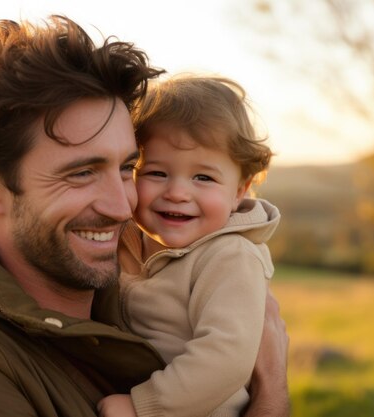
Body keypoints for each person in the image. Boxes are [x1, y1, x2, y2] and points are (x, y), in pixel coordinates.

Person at [0, 16, 289, 417]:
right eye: (82, 172)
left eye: (126, 168)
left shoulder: (129, 305)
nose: (121, 205)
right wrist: (270, 396)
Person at [97, 76, 280, 417]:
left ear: (240, 190)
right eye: (156, 173)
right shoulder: (126, 240)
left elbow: (226, 356)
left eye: (203, 178)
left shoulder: (230, 257)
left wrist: (141, 407)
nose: (178, 193)